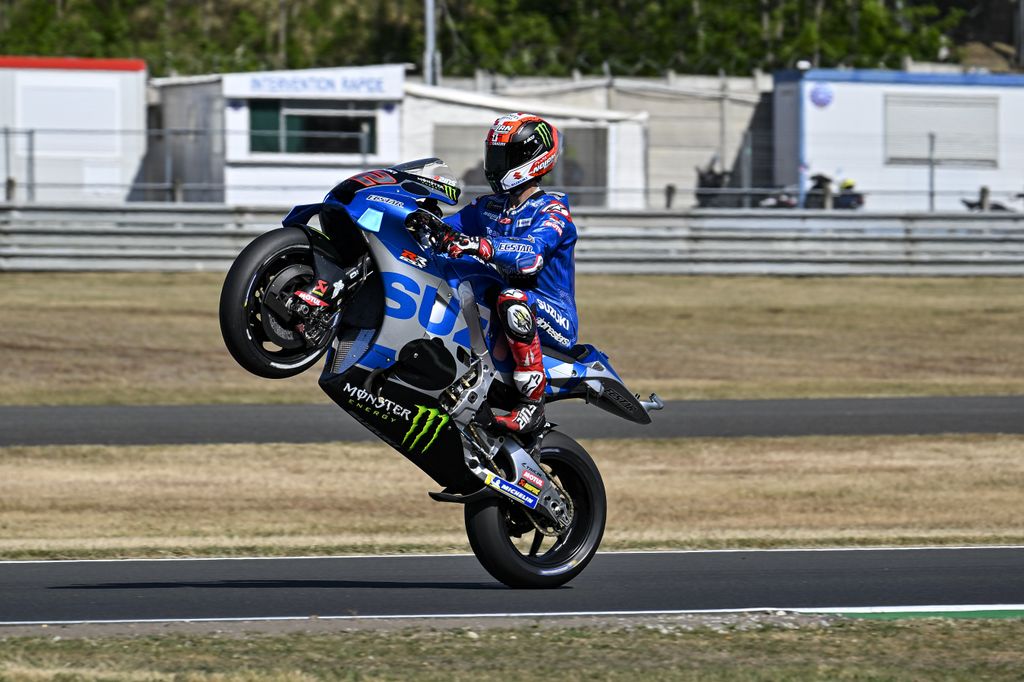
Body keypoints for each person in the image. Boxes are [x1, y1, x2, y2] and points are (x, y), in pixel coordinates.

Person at [436, 113, 579, 434]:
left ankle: (532, 404)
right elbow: (447, 233)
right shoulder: (489, 206)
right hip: (505, 307)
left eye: (505, 156)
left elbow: (531, 256)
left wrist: (479, 246)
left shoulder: (553, 211)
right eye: (494, 154)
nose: (495, 164)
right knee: (449, 272)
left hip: (552, 314)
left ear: (531, 158)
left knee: (512, 297)